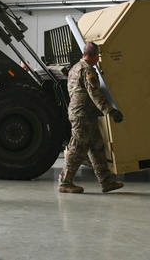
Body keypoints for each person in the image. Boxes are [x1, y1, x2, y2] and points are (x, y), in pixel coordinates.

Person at [58, 42, 125, 194]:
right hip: (82, 116)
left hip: (85, 115)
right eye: (98, 56)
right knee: (77, 148)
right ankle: (64, 182)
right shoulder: (87, 70)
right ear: (93, 55)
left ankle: (106, 182)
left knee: (97, 147)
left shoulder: (75, 68)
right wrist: (111, 111)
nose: (98, 59)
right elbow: (95, 94)